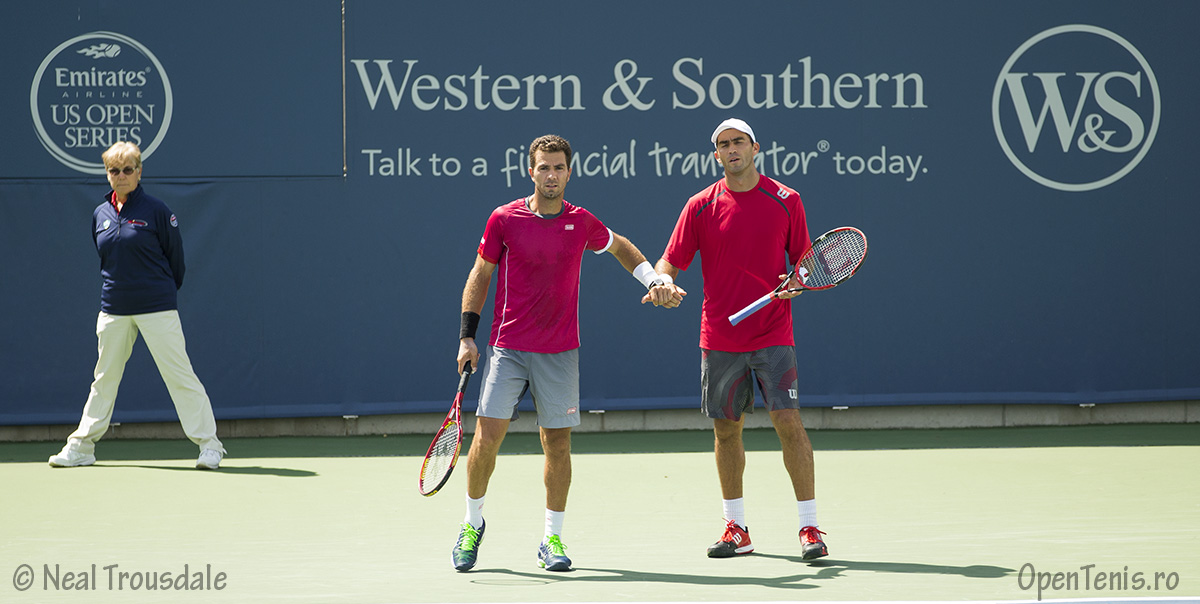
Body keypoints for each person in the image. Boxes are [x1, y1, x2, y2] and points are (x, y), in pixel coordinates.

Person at [452, 134, 678, 572]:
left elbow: (621, 247)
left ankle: (551, 537)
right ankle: (472, 523)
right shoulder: (504, 219)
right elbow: (481, 274)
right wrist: (467, 336)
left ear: (569, 173)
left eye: (559, 167)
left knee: (557, 445)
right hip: (507, 348)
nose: (551, 175)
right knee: (486, 438)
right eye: (544, 167)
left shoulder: (582, 222)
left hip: (559, 352)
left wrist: (654, 280)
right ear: (530, 171)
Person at [643, 118, 829, 560]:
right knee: (727, 431)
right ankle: (736, 528)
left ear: (755, 148)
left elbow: (805, 266)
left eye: (738, 142)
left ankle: (810, 528)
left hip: (773, 334)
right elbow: (669, 261)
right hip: (720, 337)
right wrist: (661, 284)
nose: (732, 150)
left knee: (789, 423)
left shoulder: (787, 200)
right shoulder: (700, 206)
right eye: (723, 145)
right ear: (716, 155)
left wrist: (796, 282)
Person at [48, 142, 226, 471]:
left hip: (157, 307)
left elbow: (177, 262)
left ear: (139, 172)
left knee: (180, 376)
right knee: (104, 379)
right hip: (113, 308)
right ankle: (82, 446)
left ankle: (209, 446)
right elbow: (106, 260)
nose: (121, 176)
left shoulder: (157, 211)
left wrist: (160, 293)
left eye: (127, 169)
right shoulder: (99, 215)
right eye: (114, 170)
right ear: (107, 174)